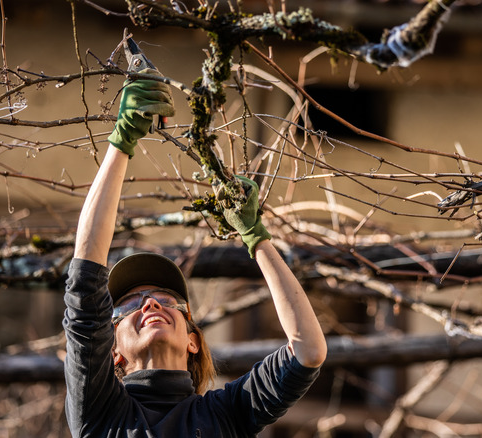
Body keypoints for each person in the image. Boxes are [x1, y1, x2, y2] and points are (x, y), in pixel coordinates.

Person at [62, 67, 327, 437]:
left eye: (166, 299)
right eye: (128, 306)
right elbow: (85, 277)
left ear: (193, 340)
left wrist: (256, 237)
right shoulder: (100, 412)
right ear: (114, 351)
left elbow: (308, 352)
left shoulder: (226, 414)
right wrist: (121, 141)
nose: (150, 305)